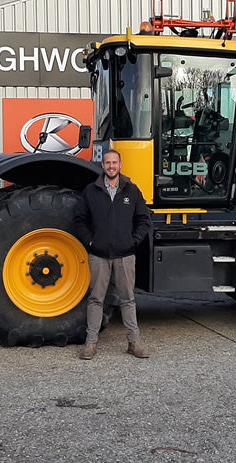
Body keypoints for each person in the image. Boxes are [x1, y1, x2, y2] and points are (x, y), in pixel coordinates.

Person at [74, 149, 152, 360]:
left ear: (120, 165)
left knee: (128, 299)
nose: (111, 166)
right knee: (95, 299)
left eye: (114, 162)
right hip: (99, 256)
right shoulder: (91, 191)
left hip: (125, 255)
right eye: (107, 162)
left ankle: (134, 343)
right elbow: (79, 220)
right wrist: (91, 241)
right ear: (102, 165)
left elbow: (144, 219)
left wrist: (133, 241)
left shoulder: (131, 191)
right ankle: (90, 345)